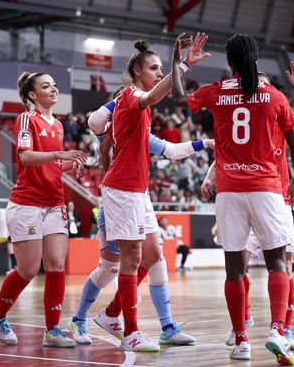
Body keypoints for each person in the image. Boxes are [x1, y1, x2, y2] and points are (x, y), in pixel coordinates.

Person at [172, 33, 294, 364]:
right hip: (266, 188)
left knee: (233, 269)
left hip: (229, 189)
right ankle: (277, 331)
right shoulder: (274, 96)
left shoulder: (216, 92)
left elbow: (177, 98)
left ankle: (241, 340)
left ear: (228, 63)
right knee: (277, 262)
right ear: (256, 60)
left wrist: (179, 63)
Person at [97, 36, 209, 352]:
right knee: (130, 260)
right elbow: (161, 94)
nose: (159, 73)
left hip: (137, 190)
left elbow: (169, 147)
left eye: (162, 68)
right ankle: (130, 331)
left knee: (153, 255)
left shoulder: (136, 102)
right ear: (137, 70)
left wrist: (179, 63)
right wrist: (182, 63)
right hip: (122, 189)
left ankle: (119, 318)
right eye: (154, 67)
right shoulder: (131, 96)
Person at [0, 71, 87, 348]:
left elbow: (53, 165)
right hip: (26, 203)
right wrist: (59, 155)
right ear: (33, 95)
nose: (53, 89)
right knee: (28, 270)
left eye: (54, 85)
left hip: (54, 203)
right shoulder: (25, 119)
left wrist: (75, 163)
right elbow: (27, 157)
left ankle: (53, 330)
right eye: (46, 86)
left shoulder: (58, 125)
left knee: (56, 265)